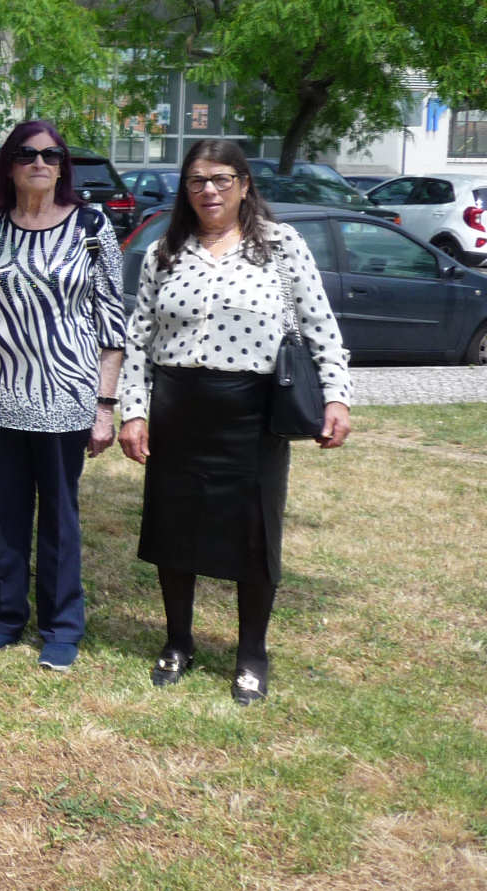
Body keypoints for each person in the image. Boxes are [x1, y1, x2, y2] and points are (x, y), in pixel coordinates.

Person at [118, 139, 351, 705]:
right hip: (177, 409)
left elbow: (320, 326)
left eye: (222, 179)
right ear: (186, 189)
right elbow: (139, 338)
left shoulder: (281, 245)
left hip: (251, 413)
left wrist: (337, 398)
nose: (209, 191)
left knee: (254, 536)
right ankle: (178, 641)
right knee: (174, 531)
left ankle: (252, 654)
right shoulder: (165, 251)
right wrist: (133, 410)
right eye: (197, 180)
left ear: (245, 185)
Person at [0, 121, 126, 672]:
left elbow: (111, 321)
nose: (40, 163)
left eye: (51, 156)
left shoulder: (91, 226)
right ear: (9, 165)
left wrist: (105, 406)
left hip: (66, 395)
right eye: (27, 154)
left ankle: (61, 627)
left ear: (62, 167)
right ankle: (5, 618)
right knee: (6, 512)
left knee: (59, 515)